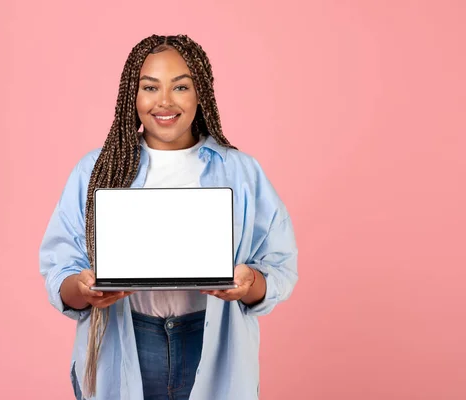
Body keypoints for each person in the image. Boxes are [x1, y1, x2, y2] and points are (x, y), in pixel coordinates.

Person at [39, 34, 298, 400]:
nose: (164, 101)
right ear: (133, 95)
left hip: (209, 339)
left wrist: (250, 283)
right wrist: (82, 290)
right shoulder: (96, 170)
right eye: (150, 87)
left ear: (201, 94)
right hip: (128, 336)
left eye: (180, 86)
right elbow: (60, 268)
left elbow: (279, 265)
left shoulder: (241, 172)